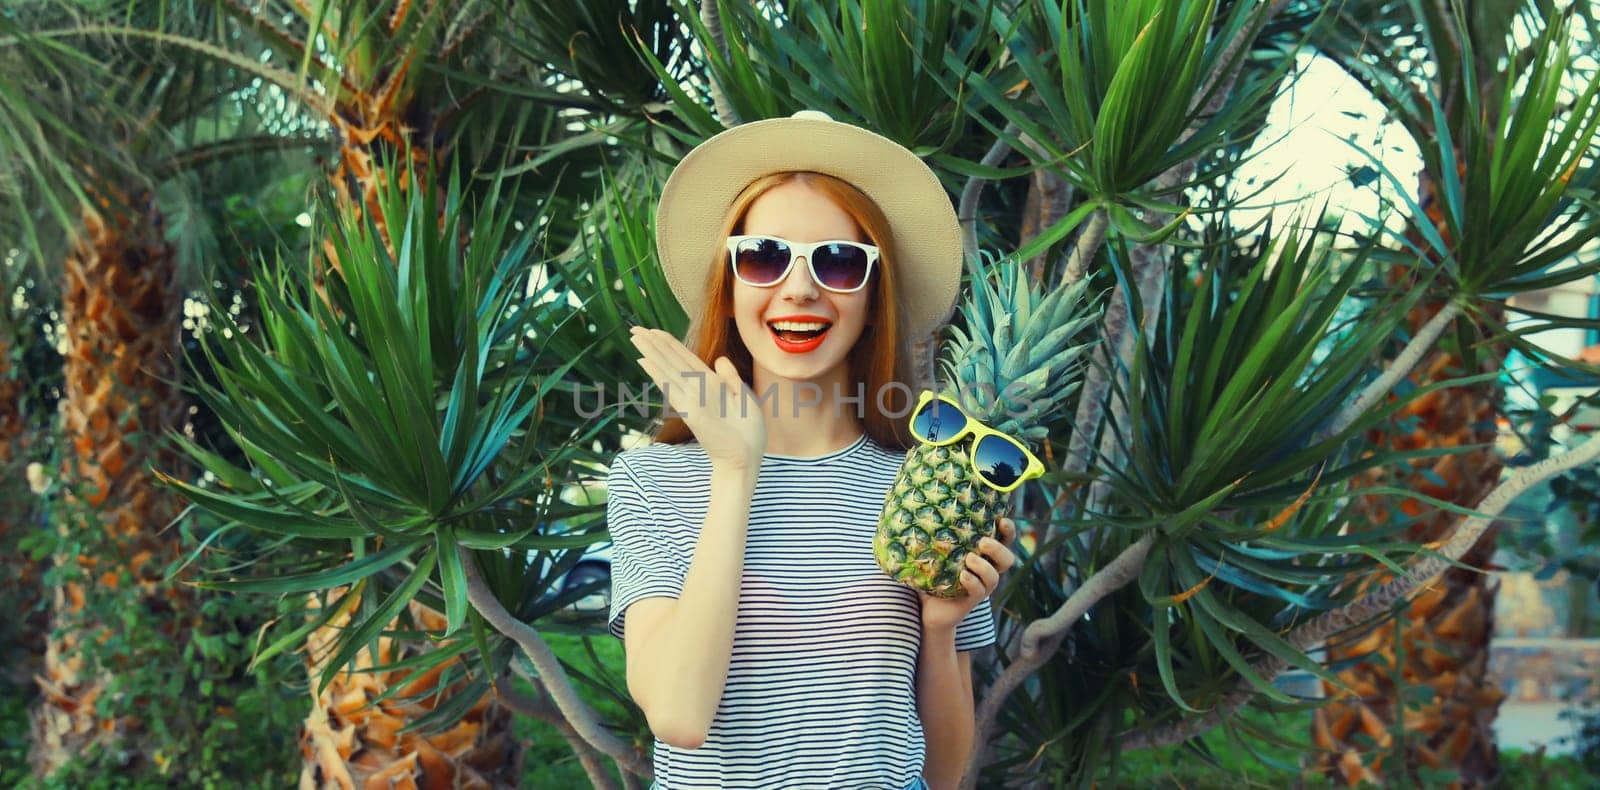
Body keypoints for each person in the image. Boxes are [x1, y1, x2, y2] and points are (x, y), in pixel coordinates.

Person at [607, 110, 1018, 790]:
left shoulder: (927, 486)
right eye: (765, 256)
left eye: (838, 261)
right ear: (732, 281)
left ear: (872, 293)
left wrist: (942, 629)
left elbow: (943, 776)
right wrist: (736, 469)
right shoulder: (652, 479)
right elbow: (679, 716)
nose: (800, 288)